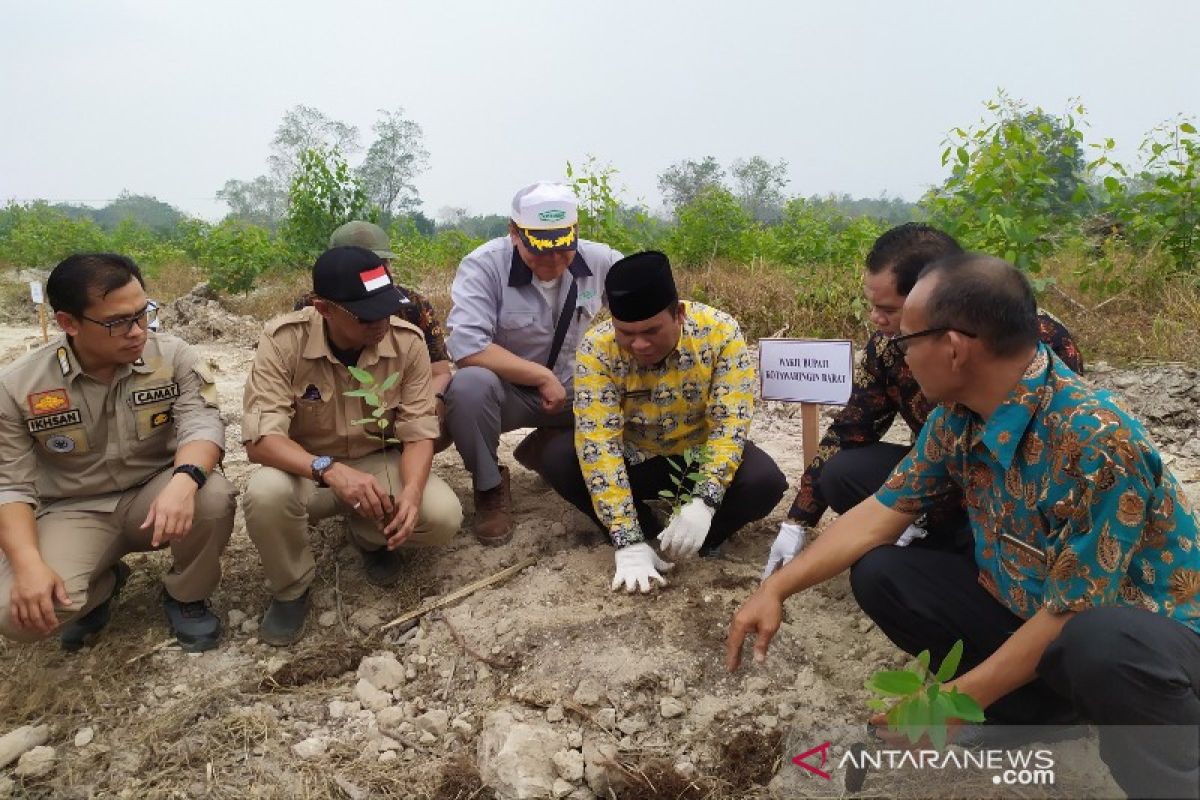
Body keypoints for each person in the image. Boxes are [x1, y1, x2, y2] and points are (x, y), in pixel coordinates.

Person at [727, 255, 1200, 799]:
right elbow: (881, 513)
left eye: (906, 341)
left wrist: (947, 705)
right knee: (883, 572)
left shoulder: (1096, 441)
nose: (898, 354)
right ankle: (1035, 709)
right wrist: (775, 588)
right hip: (1033, 605)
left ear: (952, 347)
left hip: (1145, 644)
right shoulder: (959, 414)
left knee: (1102, 643)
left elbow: (1075, 610)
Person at [762, 224, 1084, 579]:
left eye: (887, 308)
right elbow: (852, 429)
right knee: (844, 474)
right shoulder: (893, 356)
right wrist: (798, 522)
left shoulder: (1033, 346)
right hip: (940, 474)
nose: (875, 319)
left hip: (1017, 502)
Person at [0, 253, 236, 652]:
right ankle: (104, 583)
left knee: (212, 495)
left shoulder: (172, 356)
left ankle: (187, 595)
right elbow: (10, 486)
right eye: (117, 322)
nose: (137, 331)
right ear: (68, 323)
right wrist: (27, 565)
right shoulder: (19, 386)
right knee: (17, 615)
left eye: (143, 314)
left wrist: (184, 482)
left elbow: (203, 423)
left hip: (154, 492)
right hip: (72, 509)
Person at [241, 246, 463, 646]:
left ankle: (368, 535)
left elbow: (417, 432)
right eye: (366, 314)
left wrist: (411, 492)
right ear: (325, 309)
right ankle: (292, 588)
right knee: (265, 493)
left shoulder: (406, 341)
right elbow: (261, 442)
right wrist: (329, 468)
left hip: (375, 463)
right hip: (306, 470)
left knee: (441, 515)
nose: (381, 322)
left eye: (386, 308)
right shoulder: (282, 341)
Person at [541, 251, 788, 592]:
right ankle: (639, 535)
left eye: (652, 331)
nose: (639, 344)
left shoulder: (720, 334)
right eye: (626, 333)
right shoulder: (598, 348)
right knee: (559, 458)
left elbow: (730, 424)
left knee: (765, 480)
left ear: (680, 314)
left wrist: (705, 499)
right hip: (636, 459)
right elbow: (599, 443)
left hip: (696, 457)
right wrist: (626, 539)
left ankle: (699, 536)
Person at [444, 181, 622, 545]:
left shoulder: (602, 261)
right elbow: (467, 346)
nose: (553, 263)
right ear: (514, 233)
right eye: (539, 252)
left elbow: (643, 309)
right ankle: (490, 486)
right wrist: (540, 376)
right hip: (507, 393)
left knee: (632, 386)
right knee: (467, 386)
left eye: (563, 252)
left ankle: (547, 446)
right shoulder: (484, 266)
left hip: (573, 389)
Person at [325, 221, 453, 450]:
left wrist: (423, 406)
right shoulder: (317, 305)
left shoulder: (413, 305)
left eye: (380, 264)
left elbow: (440, 372)